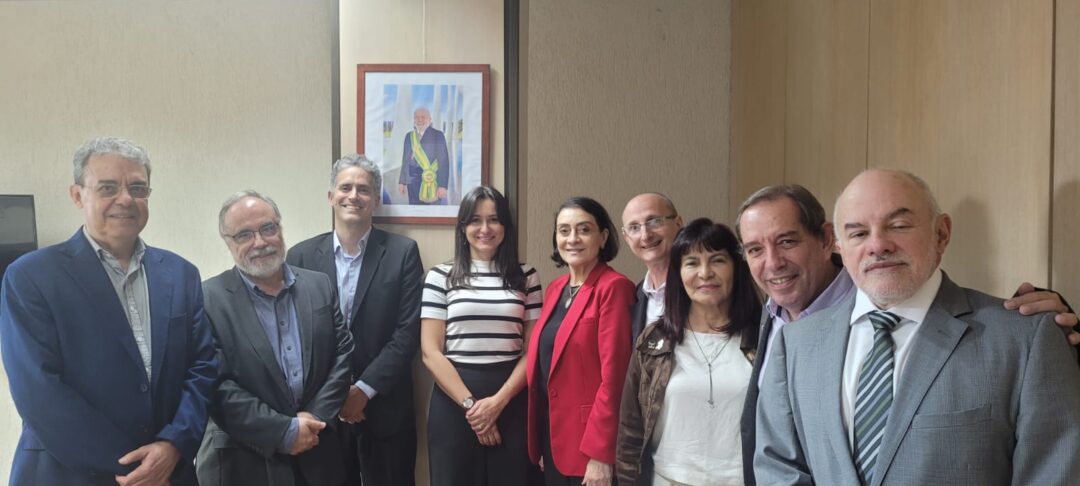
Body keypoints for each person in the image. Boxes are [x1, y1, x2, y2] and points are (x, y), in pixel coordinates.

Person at [734, 183, 1079, 485]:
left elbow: (1053, 472)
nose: (878, 245)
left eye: (898, 226)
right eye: (858, 233)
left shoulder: (1022, 338)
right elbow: (779, 467)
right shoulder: (795, 341)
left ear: (941, 233)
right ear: (838, 244)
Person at [0, 137, 217, 485]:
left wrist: (174, 445)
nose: (126, 199)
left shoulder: (181, 274)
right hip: (68, 473)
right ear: (77, 195)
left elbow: (202, 367)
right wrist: (137, 468)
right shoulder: (31, 276)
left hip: (169, 470)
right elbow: (39, 390)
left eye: (138, 188)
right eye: (108, 187)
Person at [196, 191, 354, 485]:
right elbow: (215, 385)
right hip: (244, 461)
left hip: (319, 452)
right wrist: (283, 431)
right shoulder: (207, 299)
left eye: (268, 228)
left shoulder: (319, 285)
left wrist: (314, 419)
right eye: (244, 235)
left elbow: (342, 356)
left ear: (280, 228)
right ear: (228, 242)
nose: (260, 242)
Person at [286, 154, 423, 486]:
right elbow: (294, 336)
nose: (354, 196)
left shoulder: (403, 252)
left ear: (376, 200)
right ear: (330, 196)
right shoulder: (300, 257)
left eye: (364, 189)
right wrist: (336, 395)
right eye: (345, 187)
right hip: (321, 411)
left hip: (385, 407)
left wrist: (362, 390)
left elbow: (407, 333)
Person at [616, 218, 761, 485]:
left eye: (717, 260)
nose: (705, 273)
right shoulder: (655, 340)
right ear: (679, 273)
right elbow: (631, 429)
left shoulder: (763, 337)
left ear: (736, 267)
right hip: (668, 479)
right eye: (692, 263)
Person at [420, 186, 543, 485]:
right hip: (454, 402)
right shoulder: (440, 276)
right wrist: (472, 408)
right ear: (463, 228)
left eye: (494, 220)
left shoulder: (526, 276)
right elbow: (430, 352)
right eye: (475, 220)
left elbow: (533, 350)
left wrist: (497, 403)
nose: (485, 229)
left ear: (505, 227)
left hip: (511, 399)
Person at [526, 197, 635, 486]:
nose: (572, 239)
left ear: (603, 237)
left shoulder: (614, 288)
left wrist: (601, 454)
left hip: (590, 445)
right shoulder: (556, 288)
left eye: (584, 230)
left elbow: (615, 379)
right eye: (564, 231)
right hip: (554, 438)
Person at [621, 193, 684, 342]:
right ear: (626, 238)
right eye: (634, 227)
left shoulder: (699, 285)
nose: (645, 235)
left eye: (654, 222)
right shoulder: (635, 297)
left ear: (678, 223)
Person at [398, 107, 450, 205]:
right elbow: (405, 160)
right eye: (417, 117)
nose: (420, 120)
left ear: (430, 119)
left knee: (432, 212)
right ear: (413, 120)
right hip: (412, 185)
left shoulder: (438, 135)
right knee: (415, 211)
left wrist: (443, 186)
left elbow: (443, 162)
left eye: (423, 117)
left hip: (432, 182)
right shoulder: (409, 136)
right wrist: (402, 182)